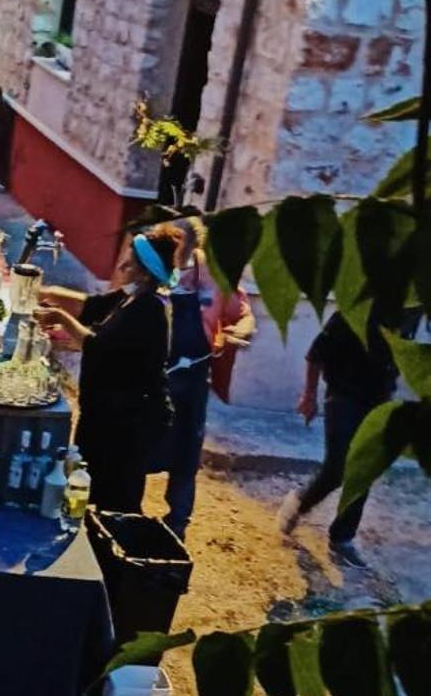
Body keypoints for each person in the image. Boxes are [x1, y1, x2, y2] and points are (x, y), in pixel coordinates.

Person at [36, 223, 182, 512]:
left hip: (125, 425)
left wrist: (61, 318)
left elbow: (97, 346)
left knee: (115, 497)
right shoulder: (128, 298)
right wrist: (40, 291)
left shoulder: (149, 309)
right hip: (106, 415)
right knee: (90, 484)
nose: (123, 265)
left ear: (144, 273)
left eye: (130, 262)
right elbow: (89, 306)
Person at [277, 308, 397, 565]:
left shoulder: (410, 313)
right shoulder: (352, 311)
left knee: (363, 470)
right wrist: (309, 396)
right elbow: (315, 354)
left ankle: (342, 537)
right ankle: (299, 503)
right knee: (337, 468)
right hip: (343, 397)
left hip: (379, 401)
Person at [163, 217, 255, 538]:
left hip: (193, 376)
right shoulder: (154, 269)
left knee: (187, 449)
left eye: (182, 245)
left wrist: (238, 332)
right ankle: (124, 508)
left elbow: (244, 316)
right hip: (154, 372)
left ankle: (177, 522)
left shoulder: (214, 276)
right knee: (139, 439)